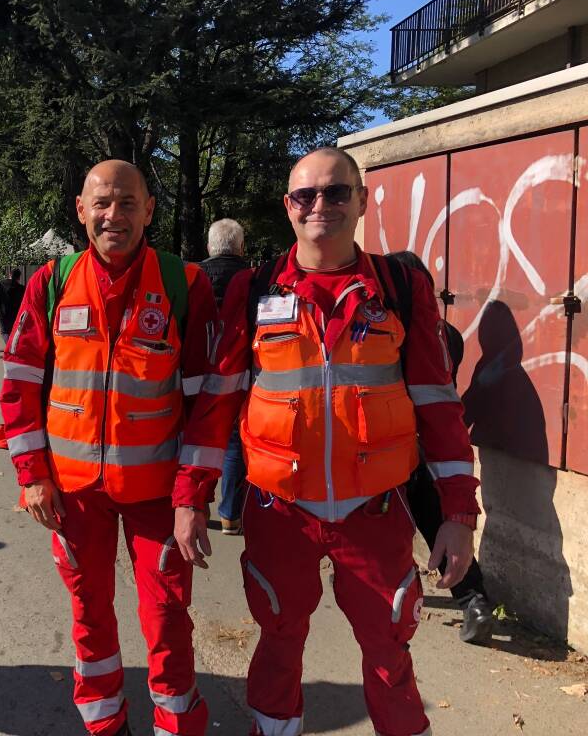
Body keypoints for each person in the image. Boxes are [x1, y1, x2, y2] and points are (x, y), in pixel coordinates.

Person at [174, 147, 480, 736]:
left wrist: (459, 514)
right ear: (287, 208)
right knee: (278, 646)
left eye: (337, 192)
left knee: (390, 654)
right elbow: (217, 406)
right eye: (305, 196)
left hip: (375, 512)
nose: (321, 206)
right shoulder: (253, 287)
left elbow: (441, 408)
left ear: (361, 200)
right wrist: (191, 498)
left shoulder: (400, 285)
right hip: (278, 510)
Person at [0, 159, 217, 736]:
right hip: (72, 495)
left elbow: (208, 404)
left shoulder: (185, 284)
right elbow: (19, 384)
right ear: (81, 209)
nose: (113, 215)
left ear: (149, 210)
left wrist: (193, 496)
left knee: (167, 619)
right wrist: (32, 475)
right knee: (90, 617)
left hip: (156, 497)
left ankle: (178, 726)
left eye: (127, 203)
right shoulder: (50, 282)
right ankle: (105, 725)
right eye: (101, 203)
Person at [388, 250, 495, 645]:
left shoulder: (385, 331)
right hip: (429, 450)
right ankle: (474, 600)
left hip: (387, 448)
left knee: (384, 526)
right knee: (436, 522)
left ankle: (397, 595)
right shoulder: (447, 336)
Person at [198, 218, 250, 536]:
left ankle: (200, 503)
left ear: (209, 246)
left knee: (202, 439)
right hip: (239, 371)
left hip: (201, 371)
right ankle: (231, 513)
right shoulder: (252, 278)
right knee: (233, 442)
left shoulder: (194, 276)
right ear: (241, 248)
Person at [0, 267, 26, 344]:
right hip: (15, 312)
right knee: (13, 330)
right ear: (19, 277)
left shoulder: (0, 284)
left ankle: (9, 345)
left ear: (10, 274)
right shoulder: (21, 288)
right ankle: (12, 345)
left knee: (4, 331)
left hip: (1, 311)